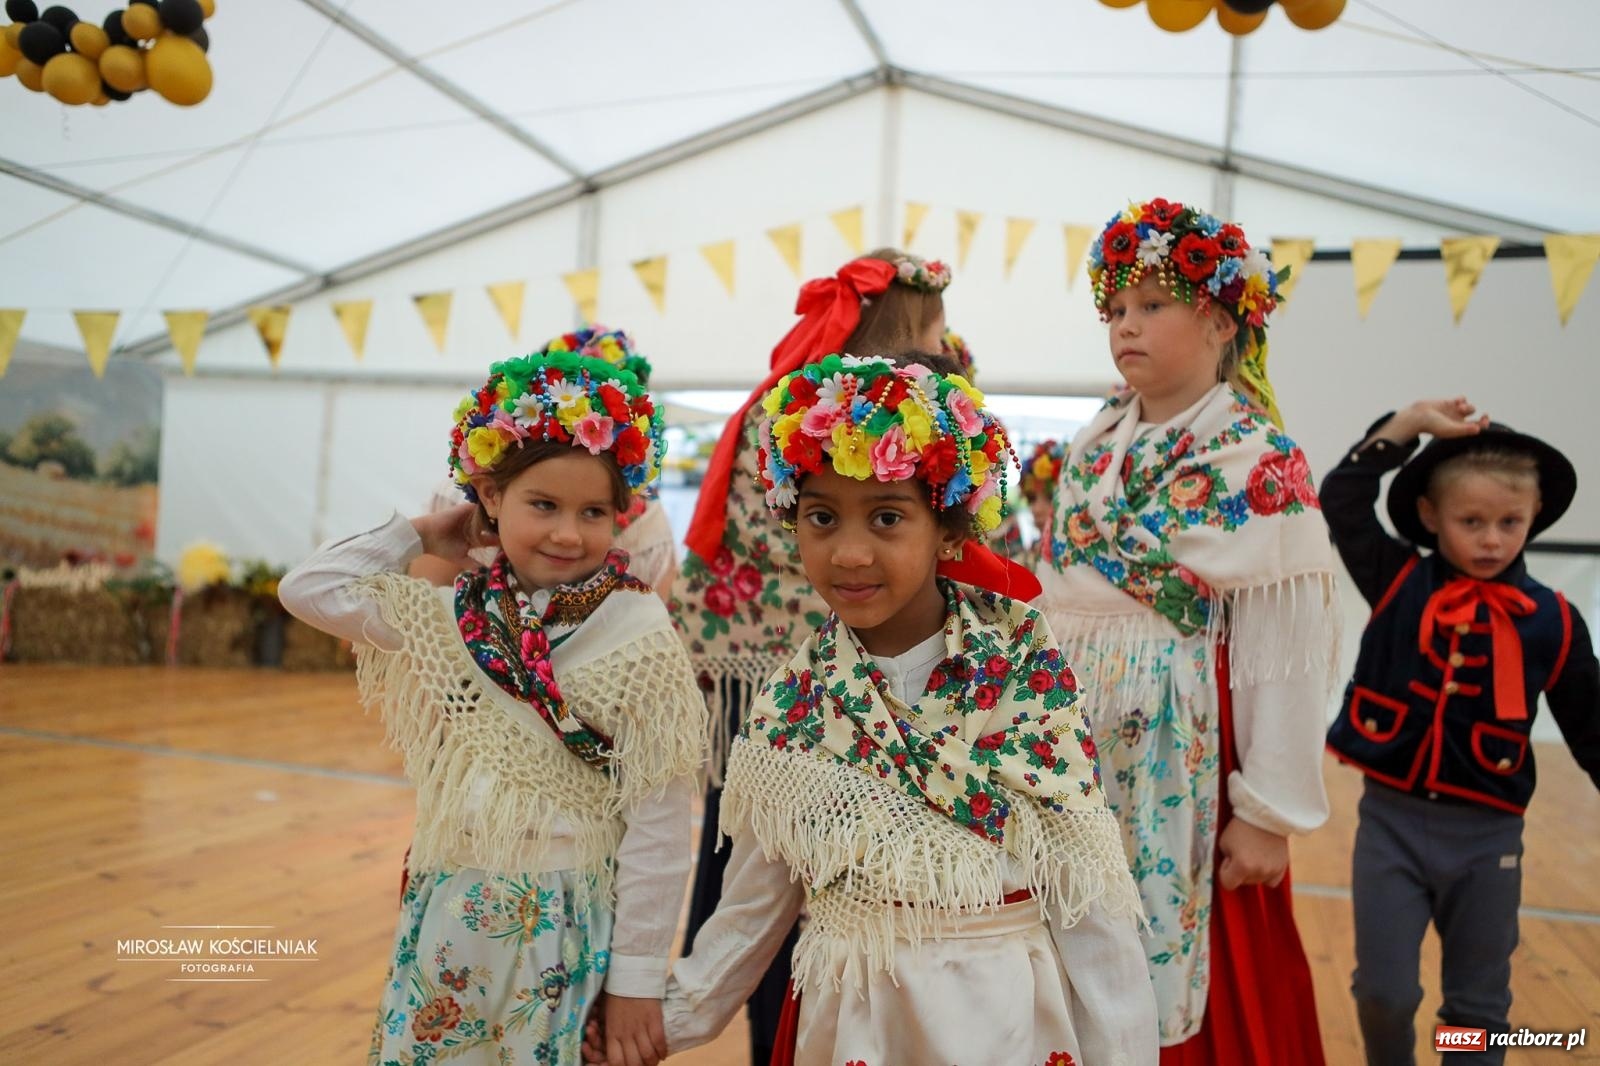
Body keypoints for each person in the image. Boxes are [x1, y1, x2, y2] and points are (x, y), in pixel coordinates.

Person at [597, 354, 1152, 1066]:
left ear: (948, 529)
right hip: (858, 1025)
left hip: (1011, 1025)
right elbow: (750, 913)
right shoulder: (794, 707)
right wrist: (659, 1026)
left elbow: (1091, 906)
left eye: (887, 517)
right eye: (822, 518)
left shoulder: (1025, 676)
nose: (850, 553)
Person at [279, 349, 706, 1066]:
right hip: (450, 905)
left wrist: (636, 981)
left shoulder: (639, 632)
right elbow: (308, 589)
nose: (567, 533)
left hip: (567, 923)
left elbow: (659, 827)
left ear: (621, 514)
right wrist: (424, 533)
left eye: (593, 512)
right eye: (543, 505)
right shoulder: (454, 616)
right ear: (490, 498)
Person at [1038, 198, 1338, 1063]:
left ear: (1219, 320)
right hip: (1072, 744)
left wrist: (1269, 812)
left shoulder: (1258, 459)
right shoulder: (1095, 442)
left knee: (1175, 961)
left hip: (1182, 752)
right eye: (1115, 310)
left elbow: (1282, 655)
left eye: (1153, 305)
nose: (1126, 326)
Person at [670, 248, 973, 1065]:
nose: (946, 346)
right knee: (777, 885)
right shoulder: (832, 417)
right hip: (825, 696)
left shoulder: (789, 405)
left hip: (792, 689)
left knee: (774, 885)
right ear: (903, 327)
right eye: (934, 331)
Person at [1322, 397, 1600, 1065]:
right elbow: (1342, 498)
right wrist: (1410, 423)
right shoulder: (1396, 580)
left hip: (1488, 839)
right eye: (1470, 522)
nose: (1491, 540)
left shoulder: (1555, 621)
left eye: (1510, 522)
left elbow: (1593, 727)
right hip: (1389, 827)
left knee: (1477, 1008)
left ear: (1535, 515)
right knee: (1384, 993)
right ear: (1430, 515)